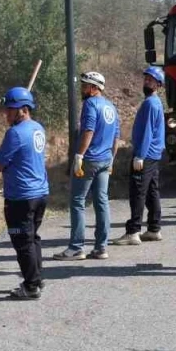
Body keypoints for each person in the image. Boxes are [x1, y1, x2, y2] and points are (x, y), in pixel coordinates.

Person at [0, 86, 50, 299]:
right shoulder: (38, 128)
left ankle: (31, 286)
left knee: (23, 242)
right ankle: (37, 278)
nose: (6, 114)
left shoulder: (15, 133)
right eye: (6, 109)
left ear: (23, 110)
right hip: (40, 194)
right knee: (32, 238)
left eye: (10, 109)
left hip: (21, 197)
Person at [55, 71, 118, 261]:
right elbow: (116, 137)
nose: (82, 89)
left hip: (89, 160)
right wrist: (112, 159)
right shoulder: (111, 106)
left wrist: (79, 156)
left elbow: (88, 132)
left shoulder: (90, 104)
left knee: (77, 201)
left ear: (94, 88)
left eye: (85, 85)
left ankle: (76, 248)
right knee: (102, 202)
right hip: (105, 159)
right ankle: (101, 247)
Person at [115, 67, 166, 246]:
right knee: (152, 191)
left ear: (158, 84)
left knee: (138, 192)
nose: (147, 82)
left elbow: (147, 132)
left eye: (151, 80)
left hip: (146, 154)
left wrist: (140, 156)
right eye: (146, 79)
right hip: (153, 154)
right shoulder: (155, 102)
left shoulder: (151, 103)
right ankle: (154, 228)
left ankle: (133, 232)